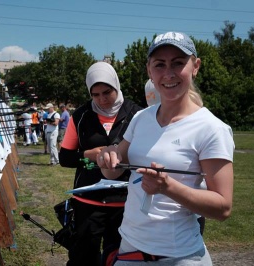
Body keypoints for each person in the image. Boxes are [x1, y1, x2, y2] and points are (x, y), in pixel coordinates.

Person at [98, 32, 234, 265]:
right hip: (130, 248)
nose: (169, 73)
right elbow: (113, 169)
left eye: (178, 63)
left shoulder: (212, 128)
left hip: (179, 255)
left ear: (195, 66)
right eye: (160, 64)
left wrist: (168, 187)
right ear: (150, 71)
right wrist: (107, 157)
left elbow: (222, 207)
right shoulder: (141, 118)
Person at [59, 62, 142, 266]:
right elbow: (64, 158)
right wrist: (88, 155)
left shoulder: (138, 114)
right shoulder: (80, 115)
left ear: (117, 86)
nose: (102, 99)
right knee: (83, 258)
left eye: (107, 92)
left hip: (126, 202)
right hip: (88, 203)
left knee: (122, 259)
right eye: (95, 94)